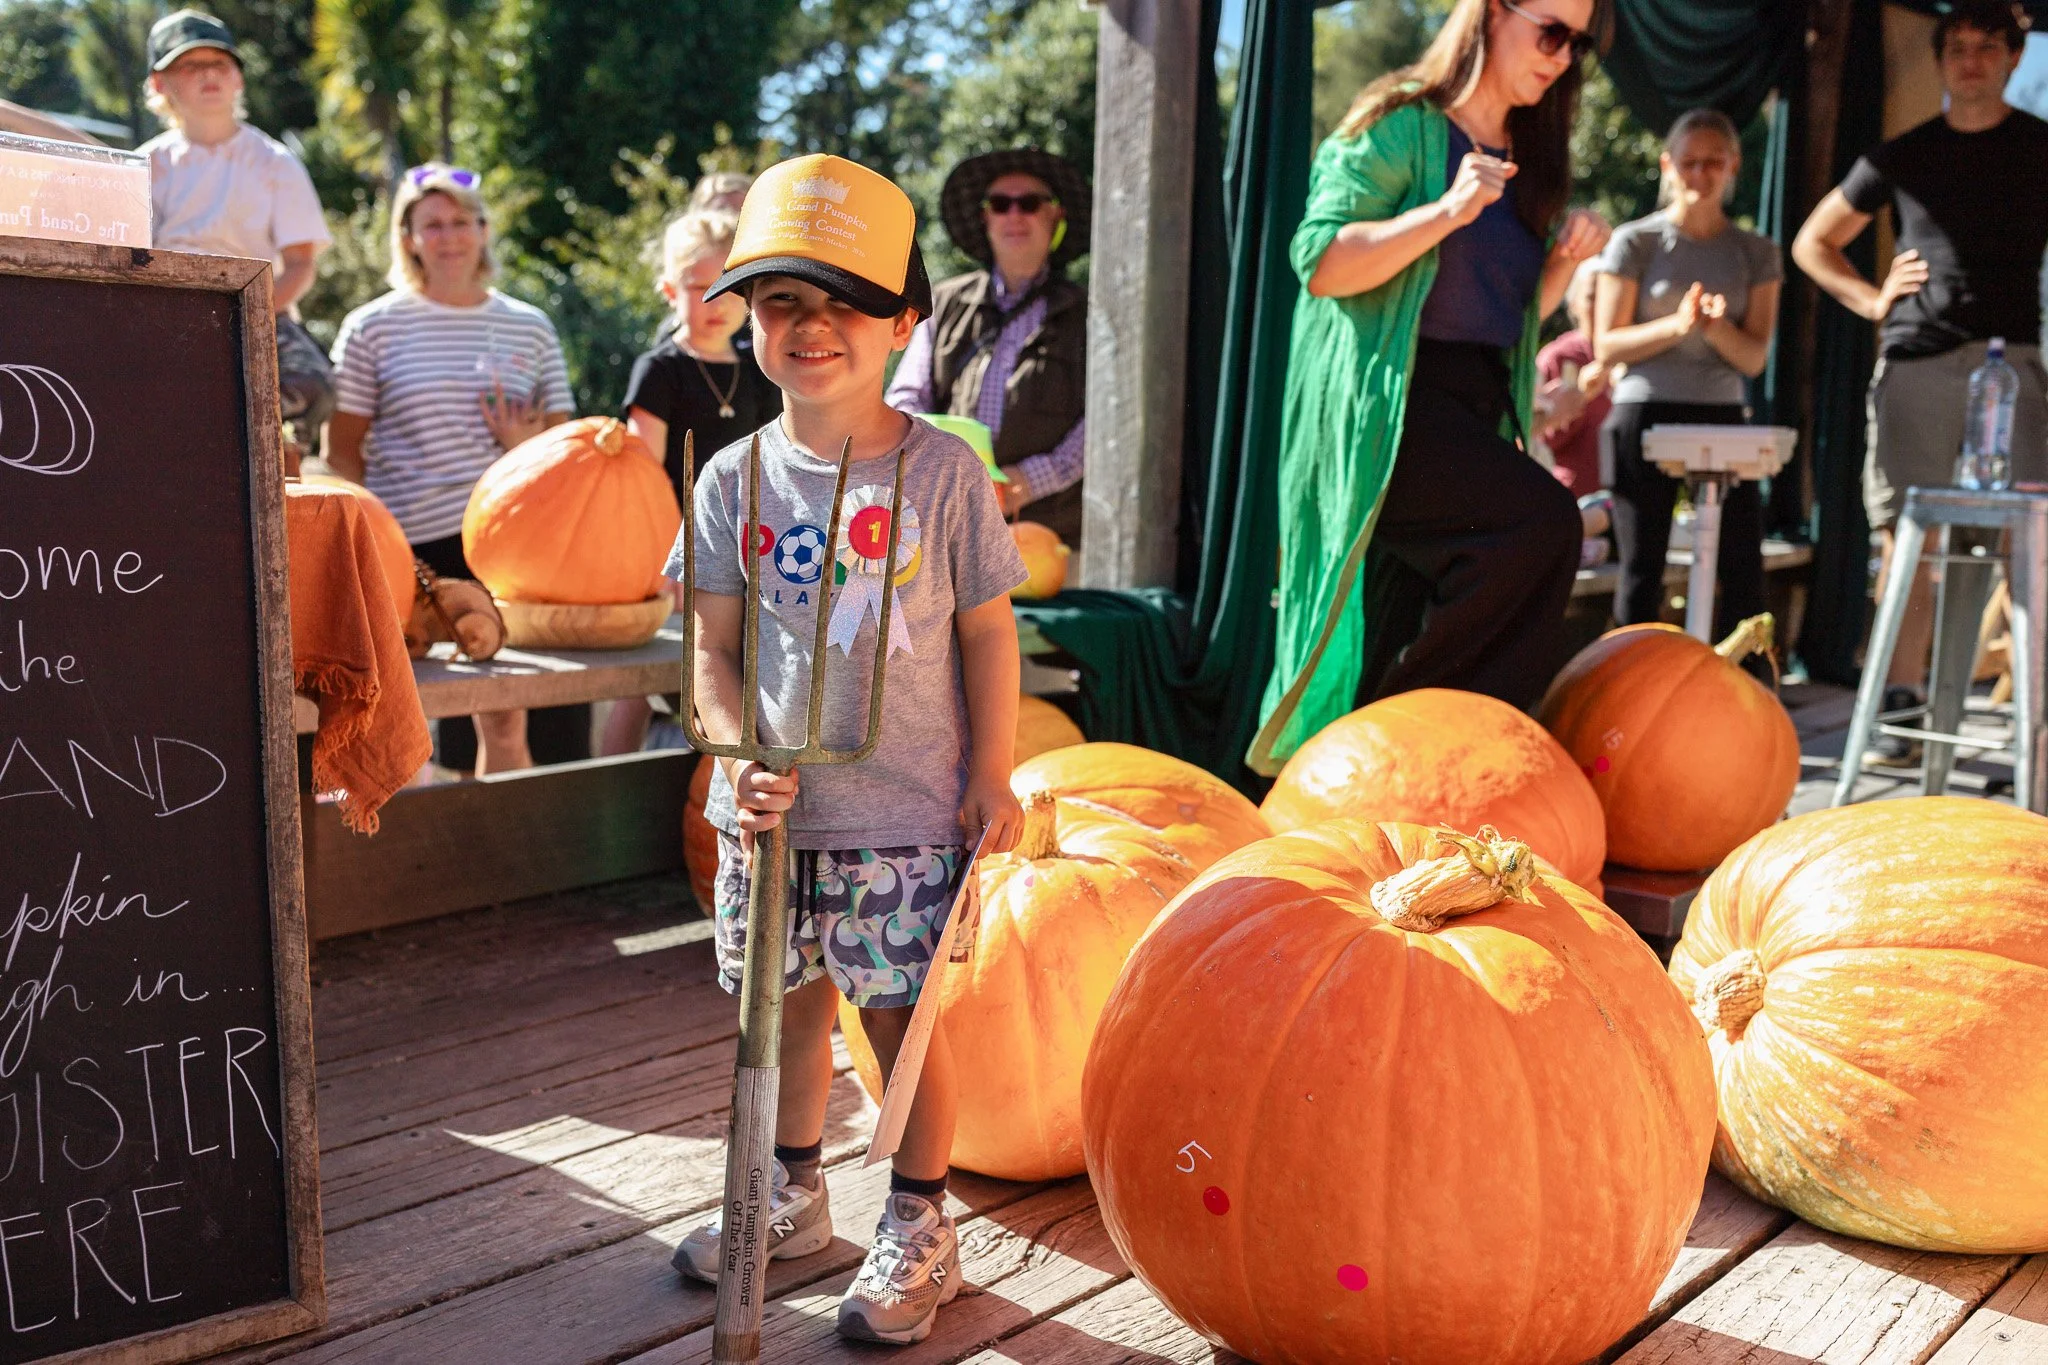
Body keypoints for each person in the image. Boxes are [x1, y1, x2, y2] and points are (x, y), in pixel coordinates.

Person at [664, 154, 1027, 1346]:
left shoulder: (944, 475)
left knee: (897, 1020)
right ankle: (792, 1193)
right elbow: (711, 646)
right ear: (746, 324)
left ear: (905, 322)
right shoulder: (732, 481)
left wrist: (990, 773)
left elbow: (985, 632)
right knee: (788, 1007)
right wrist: (728, 753)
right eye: (780, 304)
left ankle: (921, 1225)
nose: (810, 328)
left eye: (846, 304)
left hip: (907, 808)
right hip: (772, 812)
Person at [1252, 0, 1610, 772]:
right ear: (1491, 12)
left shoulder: (1532, 151)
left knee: (1405, 613)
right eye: (1552, 32)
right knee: (1541, 526)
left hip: (1476, 399)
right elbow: (1321, 261)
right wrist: (1446, 209)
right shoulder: (1400, 122)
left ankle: (1382, 770)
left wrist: (1562, 266)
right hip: (1390, 403)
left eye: (1578, 44)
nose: (1562, 57)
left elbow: (1508, 315)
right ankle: (1427, 755)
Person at [1793, 0, 2048, 763]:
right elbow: (1813, 241)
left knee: (2029, 545)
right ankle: (1898, 716)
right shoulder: (1899, 156)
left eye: (1987, 47)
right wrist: (1871, 299)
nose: (1970, 59)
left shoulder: (2042, 147)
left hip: (2018, 365)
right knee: (1912, 535)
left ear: (2011, 58)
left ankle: (2035, 730)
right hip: (1919, 362)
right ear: (1941, 61)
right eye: (1958, 47)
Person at [325, 163, 578, 775]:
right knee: (404, 716)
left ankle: (509, 854)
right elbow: (343, 448)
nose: (448, 235)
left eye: (461, 221)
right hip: (410, 546)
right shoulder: (373, 327)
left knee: (505, 713)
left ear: (484, 230)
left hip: (507, 542)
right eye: (431, 224)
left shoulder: (529, 325)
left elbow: (569, 447)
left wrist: (524, 442)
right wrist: (363, 547)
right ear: (408, 236)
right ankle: (420, 858)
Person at [1595, 107, 1781, 634]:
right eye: (1689, 162)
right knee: (1641, 570)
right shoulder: (1636, 242)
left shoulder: (1756, 251)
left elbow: (1753, 358)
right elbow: (1607, 345)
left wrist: (1716, 328)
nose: (1700, 174)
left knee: (1743, 567)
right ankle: (1626, 689)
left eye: (1713, 163)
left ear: (1733, 166)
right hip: (1644, 411)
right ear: (1668, 166)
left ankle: (1747, 695)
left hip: (1722, 415)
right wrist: (1677, 327)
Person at [599, 209, 778, 756]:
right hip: (675, 548)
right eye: (697, 288)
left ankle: (708, 782)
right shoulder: (659, 369)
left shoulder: (760, 368)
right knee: (647, 679)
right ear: (668, 289)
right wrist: (667, 555)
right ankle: (616, 781)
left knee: (727, 671)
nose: (712, 303)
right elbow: (644, 477)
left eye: (725, 290)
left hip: (751, 547)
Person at [137, 10, 334, 435]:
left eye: (220, 64)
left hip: (263, 310)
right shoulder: (145, 165)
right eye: (190, 65)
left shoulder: (274, 162)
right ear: (160, 83)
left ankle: (271, 455)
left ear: (238, 79)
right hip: (166, 315)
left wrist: (248, 315)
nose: (209, 74)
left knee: (312, 384)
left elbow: (300, 264)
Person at [886, 148, 1090, 545]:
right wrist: (946, 471)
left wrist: (1025, 482)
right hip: (949, 528)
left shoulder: (1090, 313)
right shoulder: (942, 302)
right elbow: (904, 398)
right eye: (1000, 204)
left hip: (1050, 537)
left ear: (1055, 216)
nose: (1014, 215)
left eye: (1030, 203)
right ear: (986, 218)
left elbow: (1101, 424)